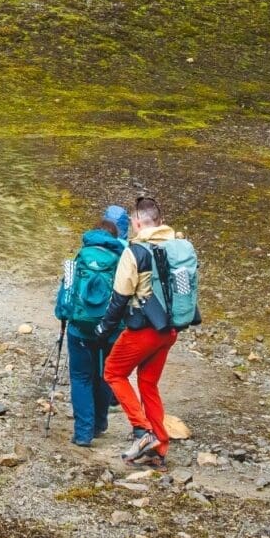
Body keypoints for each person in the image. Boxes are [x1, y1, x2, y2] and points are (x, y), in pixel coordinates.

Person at [100, 196, 181, 467]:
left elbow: (121, 296)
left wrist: (104, 327)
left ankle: (142, 431)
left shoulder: (135, 251)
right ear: (159, 221)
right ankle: (159, 446)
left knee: (113, 371)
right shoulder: (178, 247)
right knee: (147, 383)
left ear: (136, 223)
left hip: (144, 328)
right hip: (170, 329)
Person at [65, 205, 129, 446]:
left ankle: (83, 434)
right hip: (110, 329)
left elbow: (67, 289)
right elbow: (126, 294)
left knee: (81, 377)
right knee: (105, 375)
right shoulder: (123, 257)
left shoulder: (82, 255)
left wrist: (64, 315)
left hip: (79, 328)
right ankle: (100, 424)